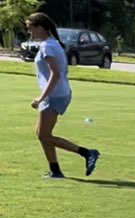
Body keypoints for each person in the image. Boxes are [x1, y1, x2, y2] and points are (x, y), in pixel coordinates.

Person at [26, 12, 100, 180]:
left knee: (44, 135)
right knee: (42, 134)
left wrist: (41, 97)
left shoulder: (48, 46)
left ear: (40, 27)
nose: (30, 33)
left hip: (54, 95)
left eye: (31, 29)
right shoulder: (52, 44)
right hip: (58, 94)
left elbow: (56, 74)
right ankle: (56, 171)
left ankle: (87, 153)